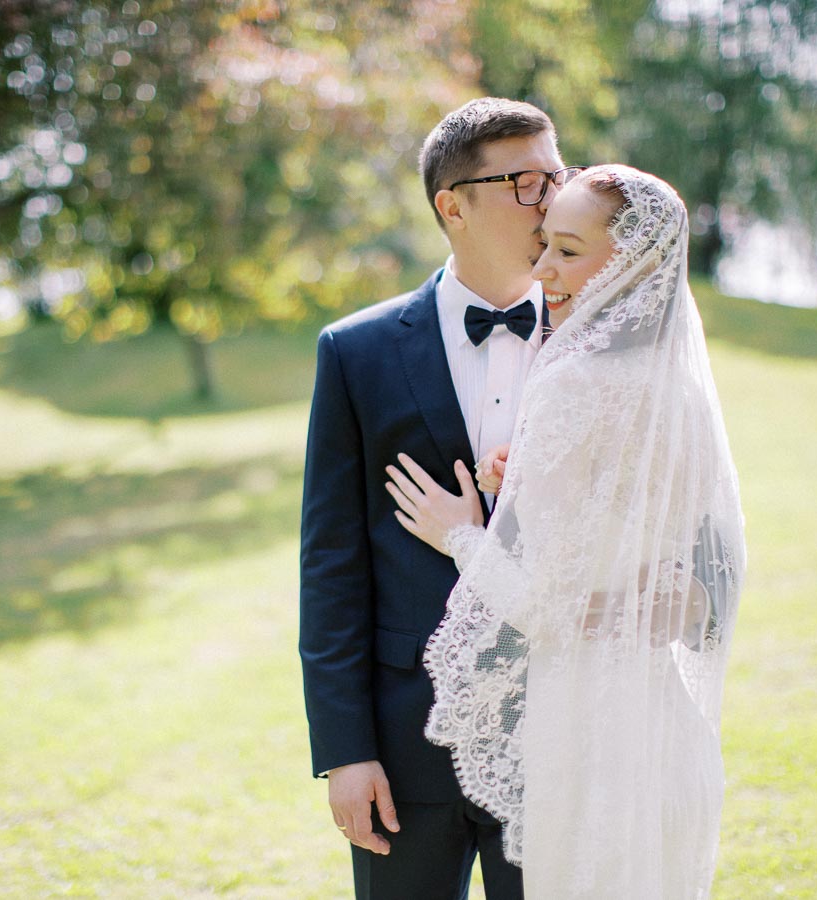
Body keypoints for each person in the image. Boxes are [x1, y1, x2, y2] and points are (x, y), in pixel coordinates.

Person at [385, 165, 746, 898]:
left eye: (569, 251)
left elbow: (547, 609)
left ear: (637, 262)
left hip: (585, 726)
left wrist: (461, 534)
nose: (543, 269)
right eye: (545, 244)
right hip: (661, 721)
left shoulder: (573, 382)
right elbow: (693, 556)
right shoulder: (681, 389)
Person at [299, 97, 582, 899]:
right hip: (403, 743)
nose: (550, 200)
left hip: (558, 729)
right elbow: (331, 564)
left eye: (556, 176)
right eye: (526, 182)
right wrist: (346, 749)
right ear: (451, 205)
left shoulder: (598, 346)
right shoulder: (355, 352)